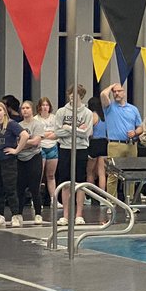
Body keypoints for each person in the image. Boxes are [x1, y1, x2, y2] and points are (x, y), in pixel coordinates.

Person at [54, 85, 92, 226]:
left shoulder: (87, 113)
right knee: (65, 183)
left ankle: (79, 215)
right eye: (70, 94)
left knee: (79, 182)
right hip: (65, 148)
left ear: (80, 96)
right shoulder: (61, 112)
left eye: (75, 94)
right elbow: (57, 132)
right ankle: (65, 215)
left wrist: (68, 128)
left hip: (81, 149)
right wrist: (77, 130)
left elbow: (86, 133)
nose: (72, 96)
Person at [0, 102, 27, 227]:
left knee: (10, 189)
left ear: (4, 111)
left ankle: (15, 215)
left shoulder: (11, 124)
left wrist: (16, 150)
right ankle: (0, 216)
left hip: (8, 161)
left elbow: (24, 135)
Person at [100, 83, 143, 198]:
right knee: (113, 174)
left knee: (131, 174)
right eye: (114, 91)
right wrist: (111, 86)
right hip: (115, 144)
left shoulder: (133, 109)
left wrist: (135, 132)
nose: (116, 93)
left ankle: (129, 203)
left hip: (131, 144)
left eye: (119, 91)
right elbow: (103, 94)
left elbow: (140, 127)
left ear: (124, 92)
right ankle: (112, 202)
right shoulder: (109, 107)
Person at [17, 101, 46, 225]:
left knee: (35, 187)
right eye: (23, 108)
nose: (25, 110)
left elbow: (36, 142)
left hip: (34, 157)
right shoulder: (17, 125)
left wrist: (22, 142)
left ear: (32, 110)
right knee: (20, 187)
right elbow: (14, 142)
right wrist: (27, 141)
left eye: (27, 108)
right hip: (20, 158)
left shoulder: (37, 124)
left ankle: (38, 213)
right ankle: (18, 214)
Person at [34, 97, 59, 212]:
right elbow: (38, 135)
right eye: (42, 105)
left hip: (53, 147)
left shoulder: (54, 118)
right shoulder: (35, 119)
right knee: (39, 175)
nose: (45, 107)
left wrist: (46, 134)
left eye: (47, 105)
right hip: (40, 147)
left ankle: (54, 199)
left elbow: (58, 133)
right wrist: (47, 134)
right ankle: (36, 200)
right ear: (39, 107)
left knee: (51, 175)